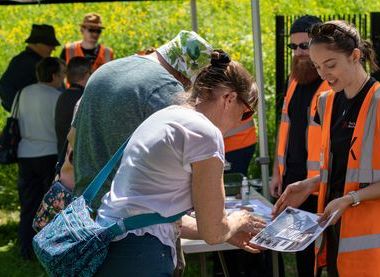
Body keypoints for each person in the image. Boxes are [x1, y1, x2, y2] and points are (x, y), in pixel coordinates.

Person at [94, 50, 266, 276]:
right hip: (142, 256)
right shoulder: (205, 133)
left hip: (115, 244)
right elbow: (213, 232)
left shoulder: (166, 115)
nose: (238, 124)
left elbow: (158, 214)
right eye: (245, 114)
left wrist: (228, 232)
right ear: (229, 98)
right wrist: (239, 219)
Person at [68, 30, 213, 275]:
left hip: (85, 219)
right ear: (186, 76)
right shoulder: (168, 89)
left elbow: (72, 137)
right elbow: (186, 162)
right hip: (135, 231)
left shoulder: (106, 70)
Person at [273, 20, 380, 276]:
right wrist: (310, 184)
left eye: (330, 65)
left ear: (356, 56)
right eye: (318, 66)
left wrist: (351, 199)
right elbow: (348, 170)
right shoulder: (326, 102)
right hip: (335, 232)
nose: (323, 74)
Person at [270, 15, 329, 277]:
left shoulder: (332, 83)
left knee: (322, 255)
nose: (298, 53)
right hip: (293, 181)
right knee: (301, 254)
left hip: (320, 184)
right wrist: (276, 171)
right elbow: (285, 128)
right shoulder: (293, 80)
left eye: (304, 46)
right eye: (293, 47)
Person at [17, 57, 66, 259]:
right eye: (62, 74)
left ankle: (25, 248)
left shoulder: (23, 92)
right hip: (48, 154)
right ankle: (46, 248)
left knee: (28, 203)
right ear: (54, 75)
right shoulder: (56, 97)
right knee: (49, 205)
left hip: (25, 152)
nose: (63, 78)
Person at [0, 24, 60, 112]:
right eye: (50, 45)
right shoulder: (32, 63)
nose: (53, 48)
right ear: (38, 43)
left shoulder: (21, 60)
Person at [55, 57, 91, 154]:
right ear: (87, 74)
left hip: (63, 156)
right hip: (74, 159)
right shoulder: (84, 98)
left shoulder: (63, 96)